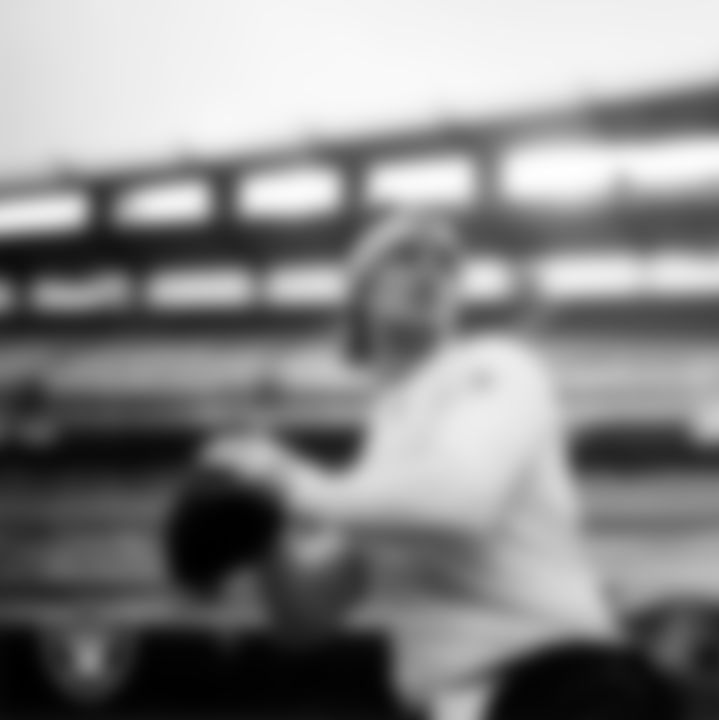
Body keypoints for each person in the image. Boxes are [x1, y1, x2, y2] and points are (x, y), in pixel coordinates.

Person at [200, 210, 651, 720]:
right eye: (405, 255)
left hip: (571, 688)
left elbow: (461, 500)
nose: (431, 270)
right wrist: (263, 535)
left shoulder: (496, 366)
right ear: (361, 294)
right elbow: (306, 620)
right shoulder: (382, 456)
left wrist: (286, 481)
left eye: (446, 263)